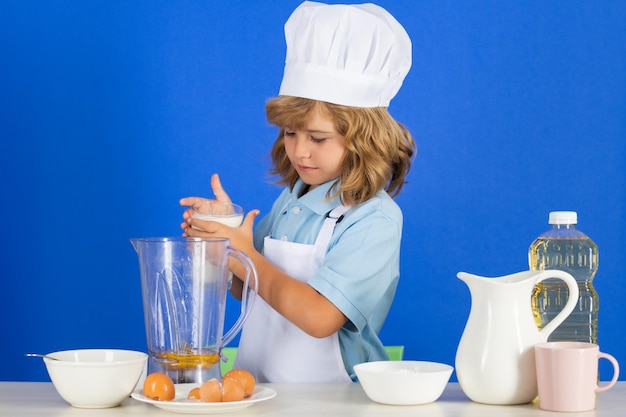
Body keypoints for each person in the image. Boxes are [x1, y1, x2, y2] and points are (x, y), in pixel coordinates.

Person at [180, 1, 415, 383]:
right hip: (260, 389)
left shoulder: (374, 219)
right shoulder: (293, 198)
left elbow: (321, 318)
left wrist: (241, 253)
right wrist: (221, 238)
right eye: (290, 132)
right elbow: (247, 287)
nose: (300, 150)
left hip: (335, 400)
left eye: (318, 138)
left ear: (365, 139)